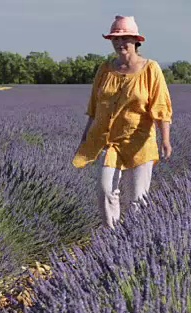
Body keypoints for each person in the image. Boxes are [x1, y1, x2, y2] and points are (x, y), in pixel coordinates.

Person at [72, 15, 173, 229]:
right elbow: (94, 104)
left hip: (139, 143)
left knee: (137, 198)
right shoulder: (105, 69)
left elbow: (162, 106)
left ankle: (137, 240)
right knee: (105, 190)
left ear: (136, 41)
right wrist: (86, 133)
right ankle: (114, 237)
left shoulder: (150, 69)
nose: (119, 44)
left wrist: (165, 140)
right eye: (115, 39)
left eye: (124, 39)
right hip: (110, 142)